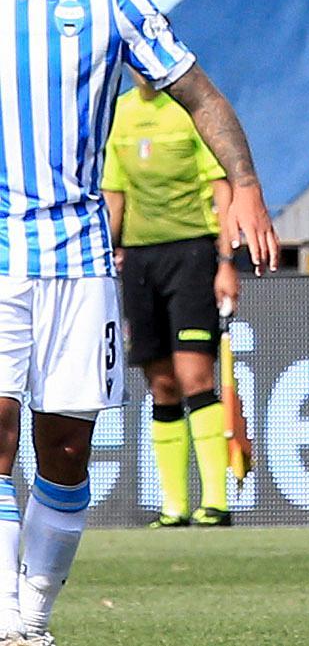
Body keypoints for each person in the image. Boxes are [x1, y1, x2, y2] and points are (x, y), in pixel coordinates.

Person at [0, 0, 278, 645]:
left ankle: (34, 610)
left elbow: (198, 90)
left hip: (83, 262)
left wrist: (248, 187)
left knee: (63, 448)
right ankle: (8, 625)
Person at [102, 71, 241, 528]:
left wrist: (225, 261)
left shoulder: (188, 109)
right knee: (160, 383)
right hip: (140, 262)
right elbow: (114, 193)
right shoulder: (120, 111)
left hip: (193, 253)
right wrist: (107, 254)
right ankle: (174, 506)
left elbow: (221, 188)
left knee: (194, 375)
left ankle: (217, 502)